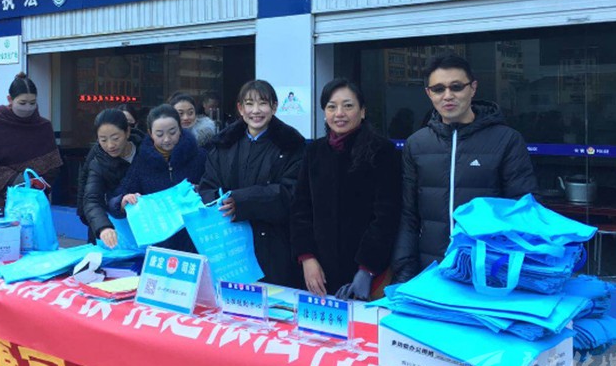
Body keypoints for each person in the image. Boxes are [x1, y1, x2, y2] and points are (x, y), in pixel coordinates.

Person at [390, 53, 537, 282]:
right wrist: (404, 275)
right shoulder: (417, 144)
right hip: (431, 271)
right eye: (438, 89)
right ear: (429, 93)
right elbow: (409, 216)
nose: (448, 96)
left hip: (487, 272)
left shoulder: (506, 140)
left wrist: (510, 271)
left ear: (473, 88)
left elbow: (523, 212)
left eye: (456, 87)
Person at [290, 80, 402, 299]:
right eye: (332, 107)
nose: (339, 113)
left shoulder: (382, 151)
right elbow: (300, 208)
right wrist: (306, 257)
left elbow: (386, 215)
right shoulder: (314, 151)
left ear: (362, 111)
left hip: (367, 273)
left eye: (348, 106)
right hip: (318, 272)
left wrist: (367, 269)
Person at [199, 80, 306, 287]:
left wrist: (242, 201)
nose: (256, 111)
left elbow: (291, 192)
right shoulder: (224, 144)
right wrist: (219, 201)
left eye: (263, 103)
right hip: (231, 248)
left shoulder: (291, 145)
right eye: (249, 104)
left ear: (274, 107)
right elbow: (208, 186)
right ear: (240, 108)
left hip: (275, 248)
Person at [110, 104, 207, 252]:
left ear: (180, 129)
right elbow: (116, 199)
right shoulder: (142, 161)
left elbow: (215, 189)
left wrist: (201, 191)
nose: (167, 139)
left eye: (172, 132)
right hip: (161, 246)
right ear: (150, 133)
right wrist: (122, 201)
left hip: (197, 240)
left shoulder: (200, 156)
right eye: (160, 134)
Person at [0, 72, 63, 208]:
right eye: (22, 103)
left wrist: (33, 184)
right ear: (10, 99)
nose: (28, 108)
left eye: (32, 103)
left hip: (32, 202)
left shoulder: (44, 127)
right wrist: (15, 180)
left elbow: (52, 165)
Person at [78, 109, 142, 247]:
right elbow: (92, 200)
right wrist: (103, 227)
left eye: (115, 138)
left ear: (127, 132)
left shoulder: (146, 151)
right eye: (103, 140)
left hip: (148, 227)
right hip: (117, 231)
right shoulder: (98, 163)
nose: (110, 145)